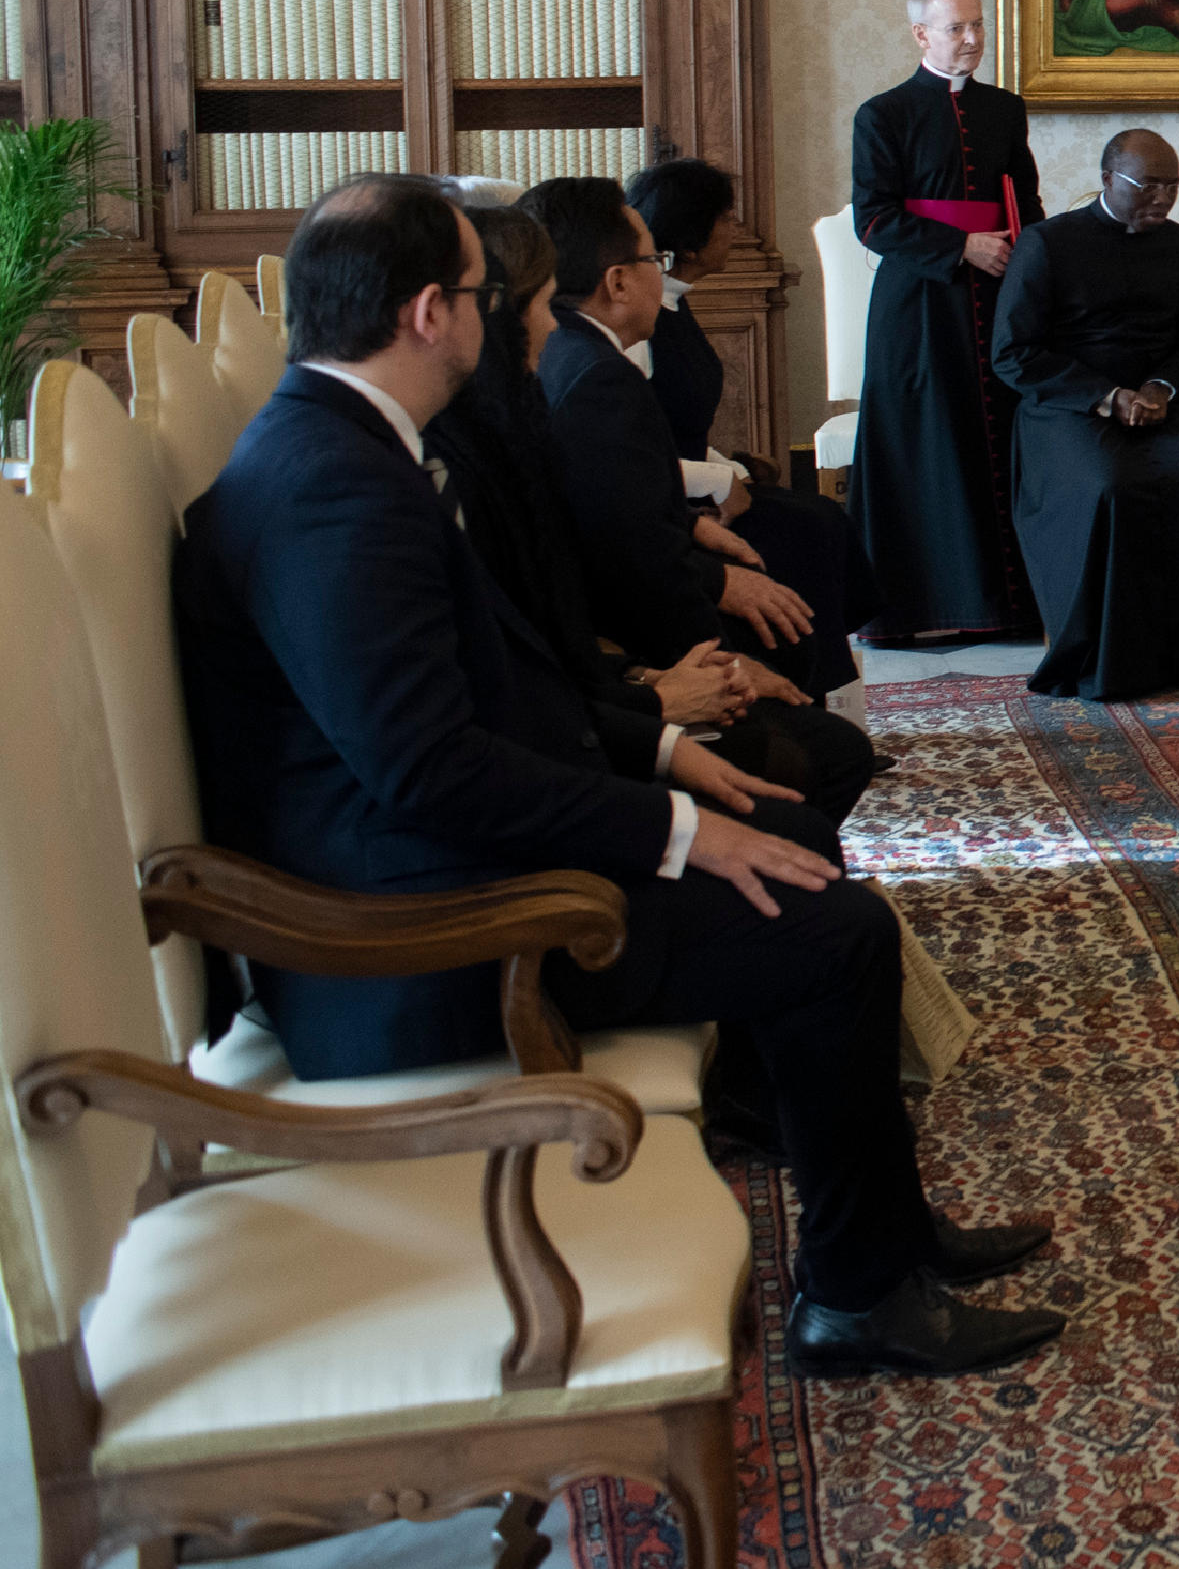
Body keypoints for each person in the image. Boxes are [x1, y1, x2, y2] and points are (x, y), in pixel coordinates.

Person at [175, 175, 1061, 1377]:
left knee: (795, 850)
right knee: (829, 924)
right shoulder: (333, 489)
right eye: (490, 296)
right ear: (429, 312)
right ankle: (858, 1297)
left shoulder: (338, 447)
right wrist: (675, 830)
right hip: (416, 940)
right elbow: (430, 768)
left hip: (433, 865)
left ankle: (886, 1241)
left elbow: (485, 699)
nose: (517, 322)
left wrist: (660, 758)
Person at [432, 205, 877, 813]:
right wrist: (669, 685)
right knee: (818, 748)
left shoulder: (527, 394)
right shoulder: (577, 378)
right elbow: (609, 552)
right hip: (582, 711)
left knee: (805, 538)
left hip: (600, 676)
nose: (550, 323)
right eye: (538, 304)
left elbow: (598, 504)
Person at [528, 175, 857, 701]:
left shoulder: (581, 348)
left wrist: (694, 523)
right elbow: (623, 539)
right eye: (651, 261)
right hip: (637, 609)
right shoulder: (598, 374)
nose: (660, 274)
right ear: (617, 283)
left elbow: (617, 493)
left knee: (810, 531)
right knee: (788, 598)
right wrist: (719, 592)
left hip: (667, 543)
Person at [990, 129, 1179, 701]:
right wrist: (1107, 396)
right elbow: (1014, 353)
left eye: (1172, 186)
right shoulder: (1048, 244)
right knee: (1113, 487)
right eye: (1148, 185)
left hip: (1158, 404)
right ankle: (1108, 660)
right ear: (1108, 180)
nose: (1163, 198)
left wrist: (1160, 388)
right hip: (1069, 406)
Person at [623, 154, 877, 667]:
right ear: (690, 241)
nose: (734, 230)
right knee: (804, 531)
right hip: (670, 502)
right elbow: (634, 447)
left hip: (698, 482)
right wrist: (719, 479)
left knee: (821, 518)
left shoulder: (674, 300)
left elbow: (677, 423)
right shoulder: (639, 325)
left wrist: (730, 466)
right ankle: (803, 683)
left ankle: (826, 683)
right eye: (725, 218)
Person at [851, 0, 1044, 645]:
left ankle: (1012, 605)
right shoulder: (882, 114)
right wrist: (962, 246)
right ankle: (920, 610)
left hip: (997, 295)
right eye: (956, 27)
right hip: (919, 306)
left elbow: (1026, 200)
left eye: (977, 24)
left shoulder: (1005, 109)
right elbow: (873, 220)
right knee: (932, 444)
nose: (971, 38)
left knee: (999, 435)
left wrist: (1027, 255)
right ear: (921, 34)